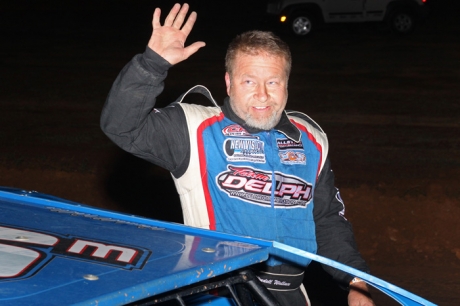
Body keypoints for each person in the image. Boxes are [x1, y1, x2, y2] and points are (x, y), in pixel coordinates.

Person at [100, 3, 375, 306]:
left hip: (289, 294)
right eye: (249, 81)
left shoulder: (312, 140)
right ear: (229, 83)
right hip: (218, 292)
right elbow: (121, 126)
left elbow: (326, 219)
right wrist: (152, 64)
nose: (262, 95)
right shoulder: (193, 128)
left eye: (273, 82)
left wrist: (356, 282)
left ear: (286, 85)